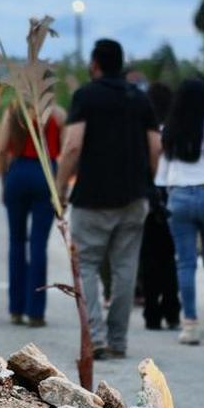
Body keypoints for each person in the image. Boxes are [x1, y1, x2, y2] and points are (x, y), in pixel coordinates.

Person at [55, 39, 161, 360]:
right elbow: (155, 147)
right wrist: (148, 181)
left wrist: (60, 187)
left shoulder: (85, 96)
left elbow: (72, 146)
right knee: (125, 268)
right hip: (134, 197)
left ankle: (96, 337)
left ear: (95, 64)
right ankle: (119, 340)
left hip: (93, 198)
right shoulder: (140, 99)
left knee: (86, 264)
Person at [155, 78, 204, 345]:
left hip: (179, 197)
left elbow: (162, 177)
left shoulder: (169, 130)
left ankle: (189, 324)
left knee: (185, 262)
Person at [0, 103, 63, 327]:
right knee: (38, 245)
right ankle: (36, 312)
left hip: (18, 172)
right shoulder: (58, 113)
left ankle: (16, 309)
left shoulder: (14, 112)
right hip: (46, 172)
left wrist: (4, 183)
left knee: (16, 242)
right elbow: (65, 148)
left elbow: (1, 150)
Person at [140, 82, 181, 331]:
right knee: (170, 258)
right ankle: (172, 309)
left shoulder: (146, 132)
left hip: (149, 196)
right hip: (171, 195)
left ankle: (151, 312)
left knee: (149, 259)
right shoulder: (177, 130)